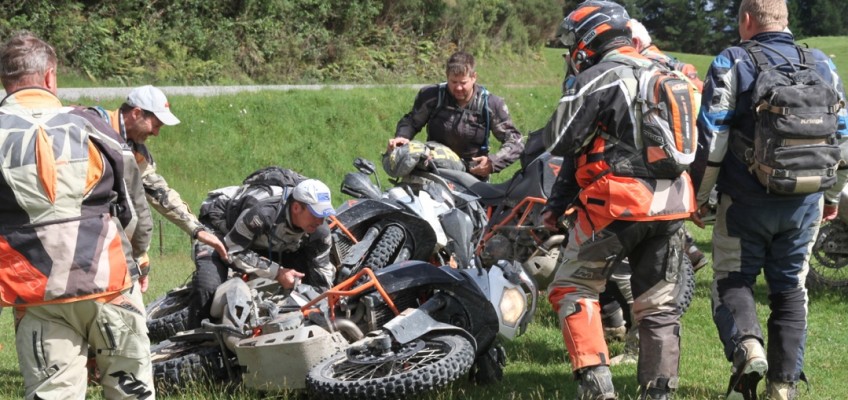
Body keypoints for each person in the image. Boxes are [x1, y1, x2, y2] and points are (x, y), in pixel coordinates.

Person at [690, 1, 848, 399]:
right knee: (790, 289)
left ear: (747, 19)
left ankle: (747, 347)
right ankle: (783, 386)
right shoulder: (822, 64)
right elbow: (843, 138)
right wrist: (833, 195)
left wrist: (700, 195)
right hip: (806, 203)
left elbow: (713, 138)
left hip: (745, 203)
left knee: (731, 279)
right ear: (785, 20)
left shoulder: (732, 61)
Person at [540, 2, 696, 399]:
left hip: (616, 206)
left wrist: (572, 86)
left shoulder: (599, 77)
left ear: (589, 37)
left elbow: (560, 141)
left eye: (573, 43)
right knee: (659, 306)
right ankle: (659, 393)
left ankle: (597, 387)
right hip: (672, 206)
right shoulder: (666, 73)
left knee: (573, 287)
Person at [0, 31, 154, 399]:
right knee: (131, 392)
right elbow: (134, 211)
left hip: (37, 293)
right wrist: (139, 259)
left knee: (53, 393)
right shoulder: (92, 123)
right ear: (50, 76)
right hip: (110, 283)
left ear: (5, 81)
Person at [89, 85, 228, 264]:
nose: (156, 133)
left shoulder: (135, 151)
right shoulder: (92, 128)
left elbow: (158, 191)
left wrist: (197, 230)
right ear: (136, 113)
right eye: (155, 125)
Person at [187, 177, 337, 329]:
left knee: (305, 281)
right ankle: (193, 335)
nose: (320, 221)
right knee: (207, 286)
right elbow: (233, 251)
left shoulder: (320, 231)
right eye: (316, 214)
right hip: (220, 229)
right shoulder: (263, 213)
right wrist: (278, 273)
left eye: (324, 215)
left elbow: (322, 274)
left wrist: (326, 305)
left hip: (262, 239)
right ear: (297, 207)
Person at [388, 51, 524, 180]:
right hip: (434, 170)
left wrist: (493, 162)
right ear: (447, 76)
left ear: (474, 77)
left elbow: (515, 140)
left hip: (472, 175)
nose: (458, 88)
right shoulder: (432, 96)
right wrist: (402, 137)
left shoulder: (491, 104)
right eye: (453, 82)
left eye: (463, 83)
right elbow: (412, 122)